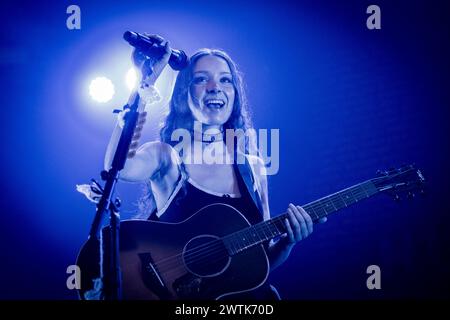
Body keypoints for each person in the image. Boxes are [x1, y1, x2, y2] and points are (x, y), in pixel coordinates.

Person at [103, 35, 326, 299]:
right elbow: (117, 167)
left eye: (225, 80)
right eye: (200, 79)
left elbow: (258, 264)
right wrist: (145, 84)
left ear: (234, 95)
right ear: (183, 95)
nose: (214, 87)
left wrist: (288, 242)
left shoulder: (252, 168)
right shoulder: (165, 157)